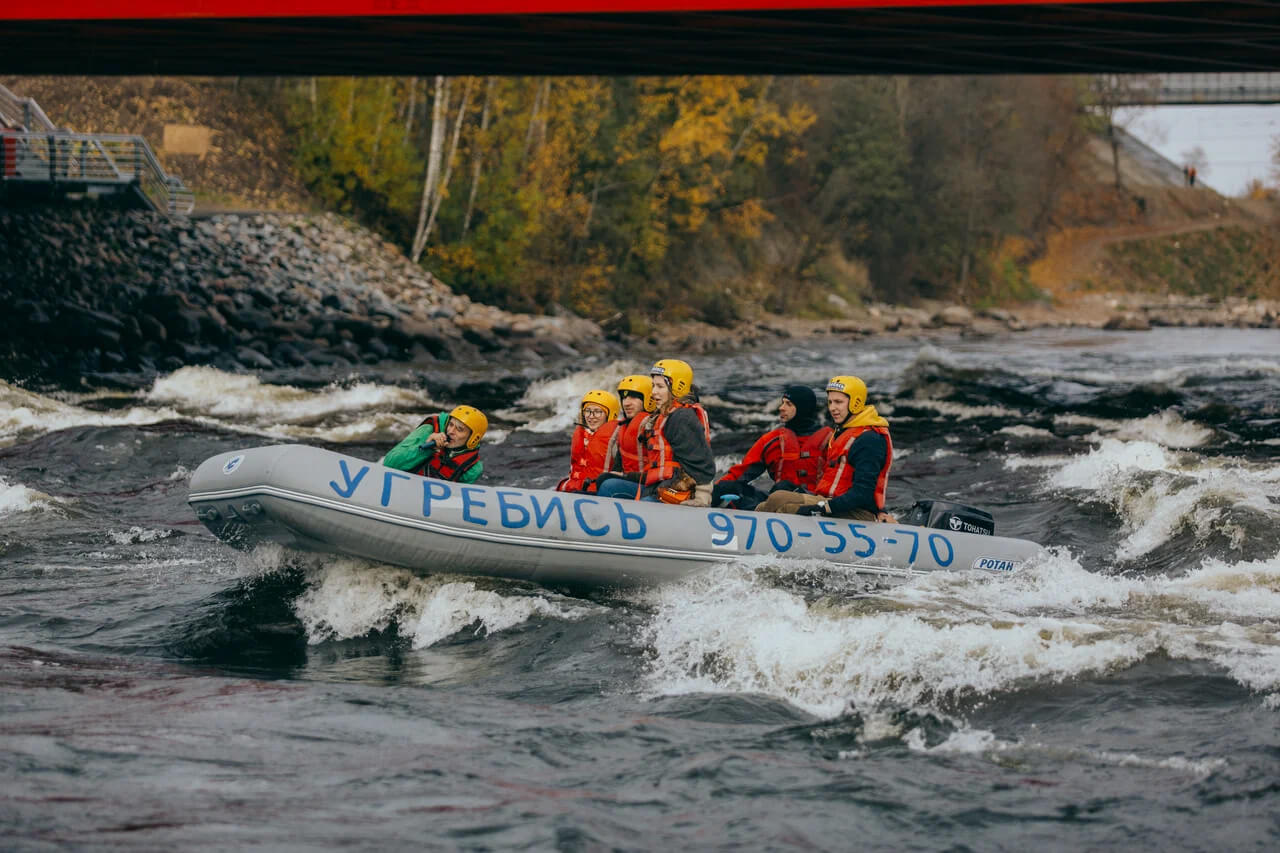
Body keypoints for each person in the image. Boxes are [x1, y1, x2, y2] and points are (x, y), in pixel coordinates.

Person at [757, 375, 895, 522]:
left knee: (786, 509)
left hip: (857, 512)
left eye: (838, 402)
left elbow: (863, 494)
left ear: (856, 403)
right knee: (776, 498)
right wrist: (822, 504)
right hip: (832, 503)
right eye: (830, 402)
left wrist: (822, 508)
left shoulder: (870, 439)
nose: (832, 408)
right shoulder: (844, 432)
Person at [596, 359, 715, 505]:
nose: (653, 392)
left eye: (660, 387)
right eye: (653, 386)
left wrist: (702, 498)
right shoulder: (663, 415)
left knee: (646, 503)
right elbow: (659, 469)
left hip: (680, 493)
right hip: (660, 487)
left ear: (678, 387)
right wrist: (627, 476)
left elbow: (703, 463)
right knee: (609, 485)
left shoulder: (681, 418)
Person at [712, 384, 832, 510]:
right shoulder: (771, 441)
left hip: (818, 503)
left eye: (788, 404)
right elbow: (740, 473)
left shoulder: (832, 440)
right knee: (728, 488)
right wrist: (716, 491)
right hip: (777, 502)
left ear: (803, 408)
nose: (781, 408)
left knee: (782, 488)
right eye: (782, 403)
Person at [381, 404, 488, 484]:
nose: (450, 431)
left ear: (473, 439)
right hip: (399, 485)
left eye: (459, 429)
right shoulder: (428, 430)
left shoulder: (473, 468)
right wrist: (427, 448)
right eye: (450, 424)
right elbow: (389, 463)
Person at [556, 390, 621, 493]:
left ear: (610, 415)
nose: (591, 416)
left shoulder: (617, 439)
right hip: (575, 488)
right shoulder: (581, 434)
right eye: (588, 411)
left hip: (599, 492)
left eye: (598, 411)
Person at [604, 374, 653, 475]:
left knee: (607, 483)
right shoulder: (624, 426)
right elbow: (617, 468)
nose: (626, 403)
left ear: (649, 400)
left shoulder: (653, 426)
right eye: (624, 398)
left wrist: (625, 477)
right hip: (631, 481)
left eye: (633, 397)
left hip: (647, 485)